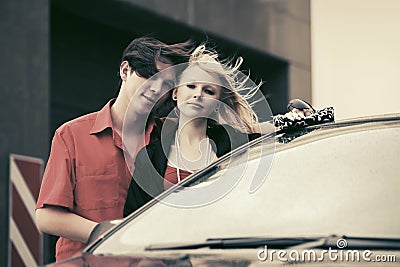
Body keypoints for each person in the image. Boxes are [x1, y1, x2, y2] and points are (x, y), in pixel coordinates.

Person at [35, 36, 194, 261]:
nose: (156, 88)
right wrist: (113, 234)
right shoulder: (71, 135)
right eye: (149, 75)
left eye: (166, 84)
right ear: (125, 70)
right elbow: (47, 217)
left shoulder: (175, 136)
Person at [124, 45, 270, 215]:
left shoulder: (237, 144)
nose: (198, 94)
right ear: (176, 93)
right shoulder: (149, 157)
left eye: (208, 90)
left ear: (217, 104)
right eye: (191, 86)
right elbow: (133, 216)